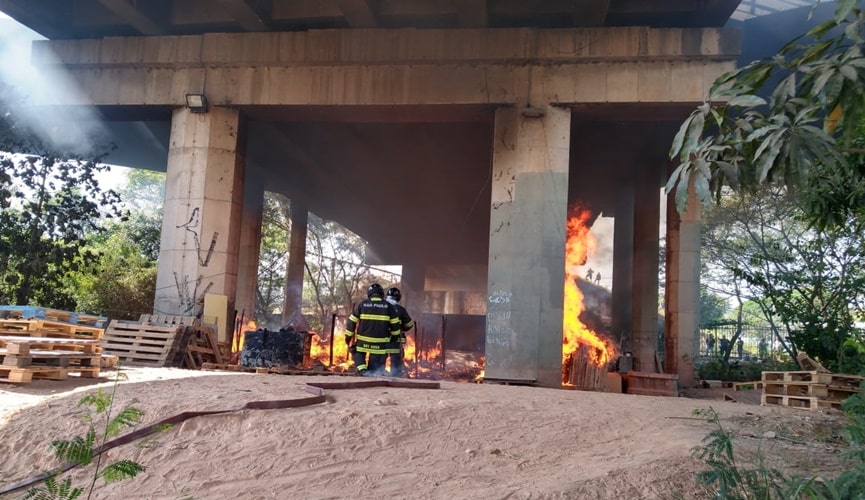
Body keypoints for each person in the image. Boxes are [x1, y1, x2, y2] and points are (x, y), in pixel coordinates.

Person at [344, 283, 401, 376]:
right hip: (380, 345)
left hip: (362, 343)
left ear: (369, 294)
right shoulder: (388, 306)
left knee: (355, 350)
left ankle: (362, 370)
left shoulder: (362, 305)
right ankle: (371, 374)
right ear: (382, 294)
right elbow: (395, 325)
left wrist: (348, 337)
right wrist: (394, 338)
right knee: (375, 370)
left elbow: (351, 322)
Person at [384, 286, 414, 378]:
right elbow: (409, 324)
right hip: (395, 340)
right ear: (398, 298)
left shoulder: (381, 307)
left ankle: (380, 374)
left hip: (381, 340)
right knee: (396, 361)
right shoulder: (400, 310)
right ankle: (395, 377)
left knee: (380, 361)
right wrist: (402, 329)